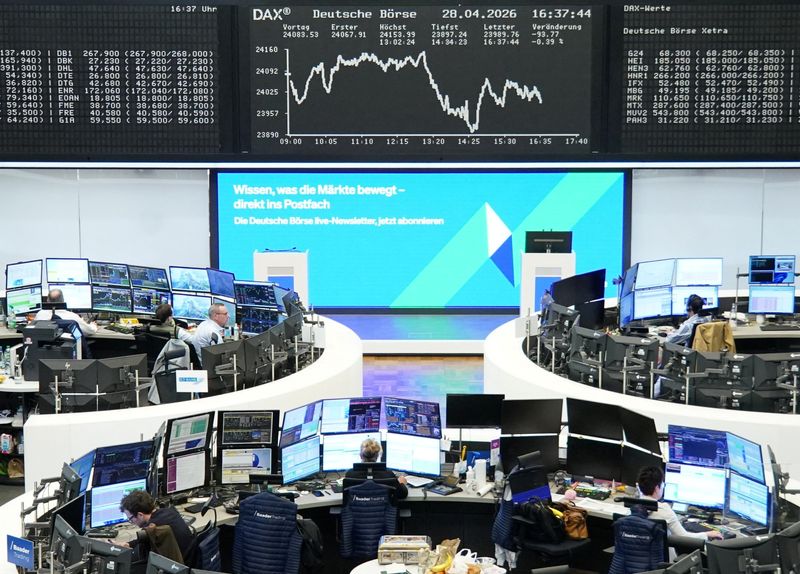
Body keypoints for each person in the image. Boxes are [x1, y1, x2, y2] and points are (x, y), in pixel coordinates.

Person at [636, 466, 722, 541]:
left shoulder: (632, 508)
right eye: (663, 484)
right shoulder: (664, 510)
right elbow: (684, 537)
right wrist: (707, 534)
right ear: (657, 488)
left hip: (634, 558)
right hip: (663, 559)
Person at [119, 489, 194, 559]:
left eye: (130, 518)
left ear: (140, 515)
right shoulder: (169, 512)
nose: (131, 522)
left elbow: (138, 555)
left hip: (178, 566)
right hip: (190, 559)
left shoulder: (152, 528)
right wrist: (128, 544)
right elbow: (142, 540)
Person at [34, 288, 98, 336]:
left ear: (48, 300)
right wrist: (93, 325)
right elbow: (89, 331)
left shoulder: (40, 314)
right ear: (63, 300)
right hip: (67, 352)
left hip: (44, 352)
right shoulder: (72, 317)